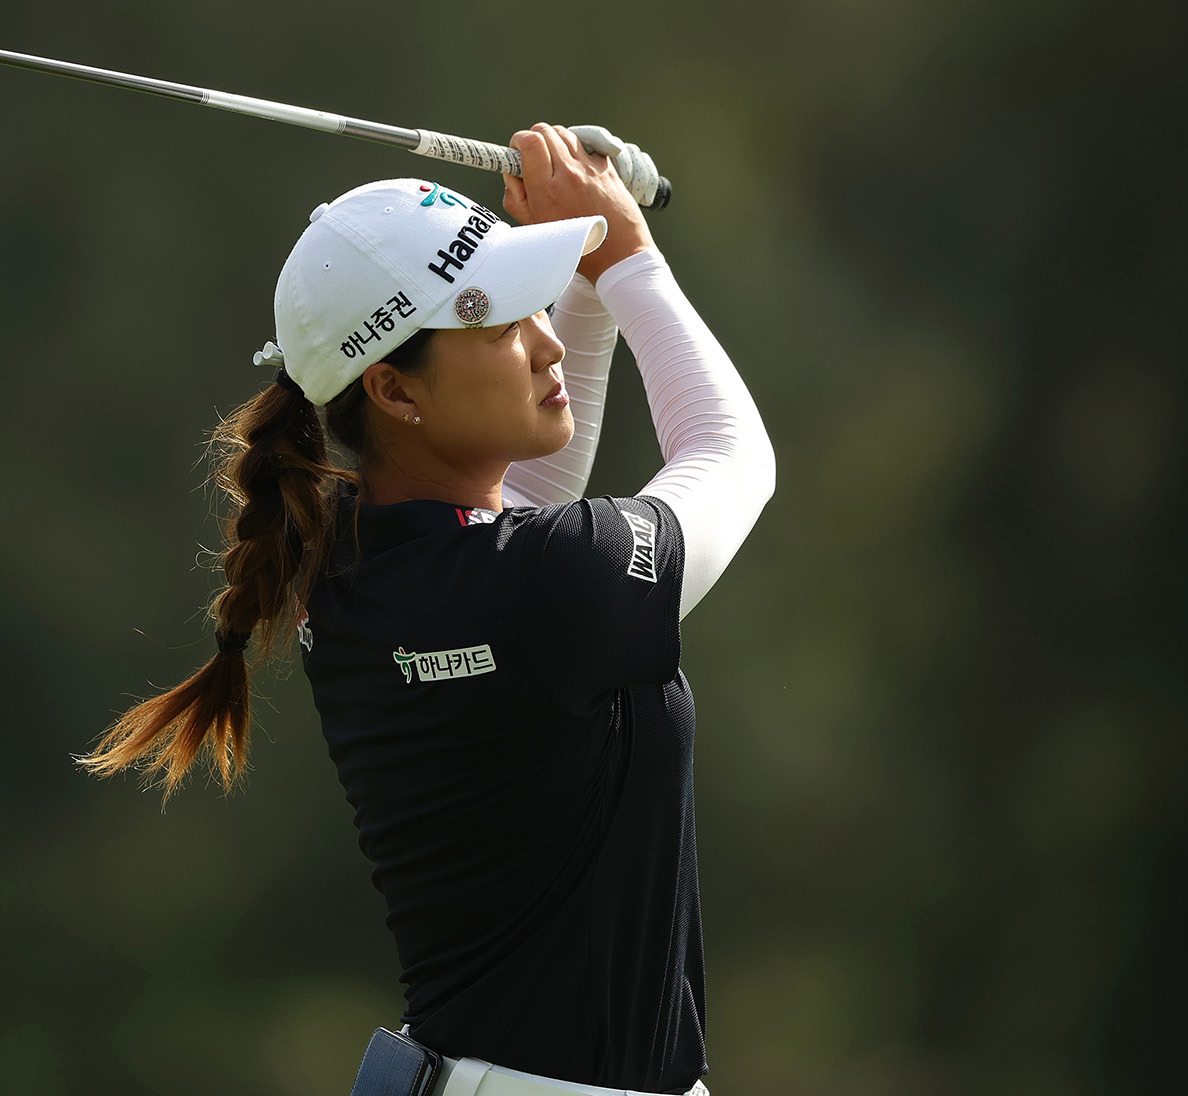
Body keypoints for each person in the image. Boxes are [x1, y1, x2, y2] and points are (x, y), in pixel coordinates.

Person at [81, 124, 774, 1096]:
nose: (539, 345)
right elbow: (733, 457)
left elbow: (526, 496)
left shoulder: (361, 571)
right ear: (393, 390)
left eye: (532, 313)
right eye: (498, 325)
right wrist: (628, 258)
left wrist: (577, 270)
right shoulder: (532, 581)